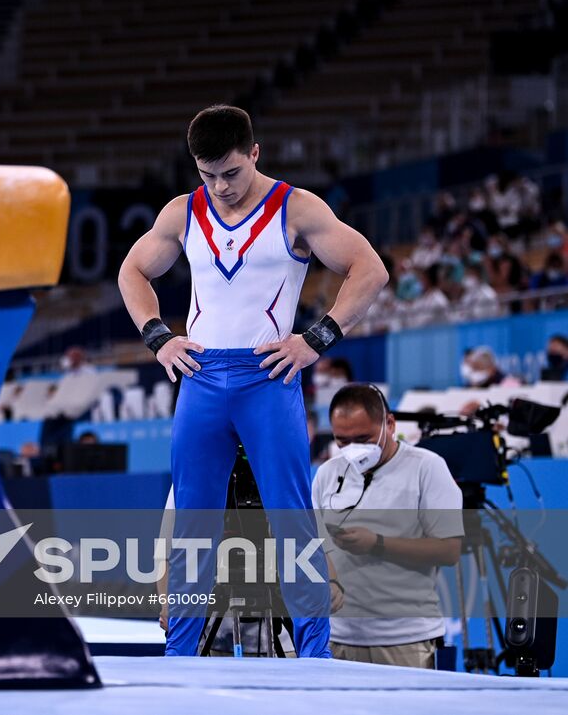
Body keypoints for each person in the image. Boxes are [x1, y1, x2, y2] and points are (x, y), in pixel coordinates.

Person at [118, 104, 387, 659]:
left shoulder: (296, 208)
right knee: (193, 523)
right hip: (201, 377)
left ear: (255, 153)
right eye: (207, 174)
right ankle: (180, 654)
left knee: (292, 518)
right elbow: (133, 270)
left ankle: (315, 654)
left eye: (232, 173)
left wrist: (316, 339)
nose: (220, 187)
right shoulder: (182, 212)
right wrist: (158, 337)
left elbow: (371, 269)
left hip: (268, 377)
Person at [312, 384, 463, 669]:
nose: (353, 449)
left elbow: (449, 550)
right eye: (342, 441)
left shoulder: (427, 468)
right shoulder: (326, 474)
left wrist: (378, 543)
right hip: (337, 640)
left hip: (407, 640)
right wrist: (329, 582)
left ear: (389, 424)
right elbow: (318, 546)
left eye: (363, 438)